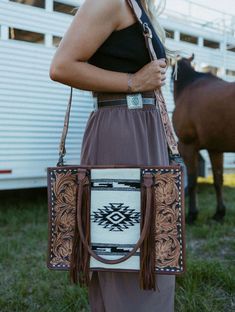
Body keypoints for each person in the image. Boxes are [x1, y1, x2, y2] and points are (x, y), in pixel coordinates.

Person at [49, 0, 175, 311]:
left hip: (144, 132)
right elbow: (61, 66)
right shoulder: (110, 1)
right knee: (125, 244)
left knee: (149, 243)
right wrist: (133, 82)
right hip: (124, 135)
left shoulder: (137, 6)